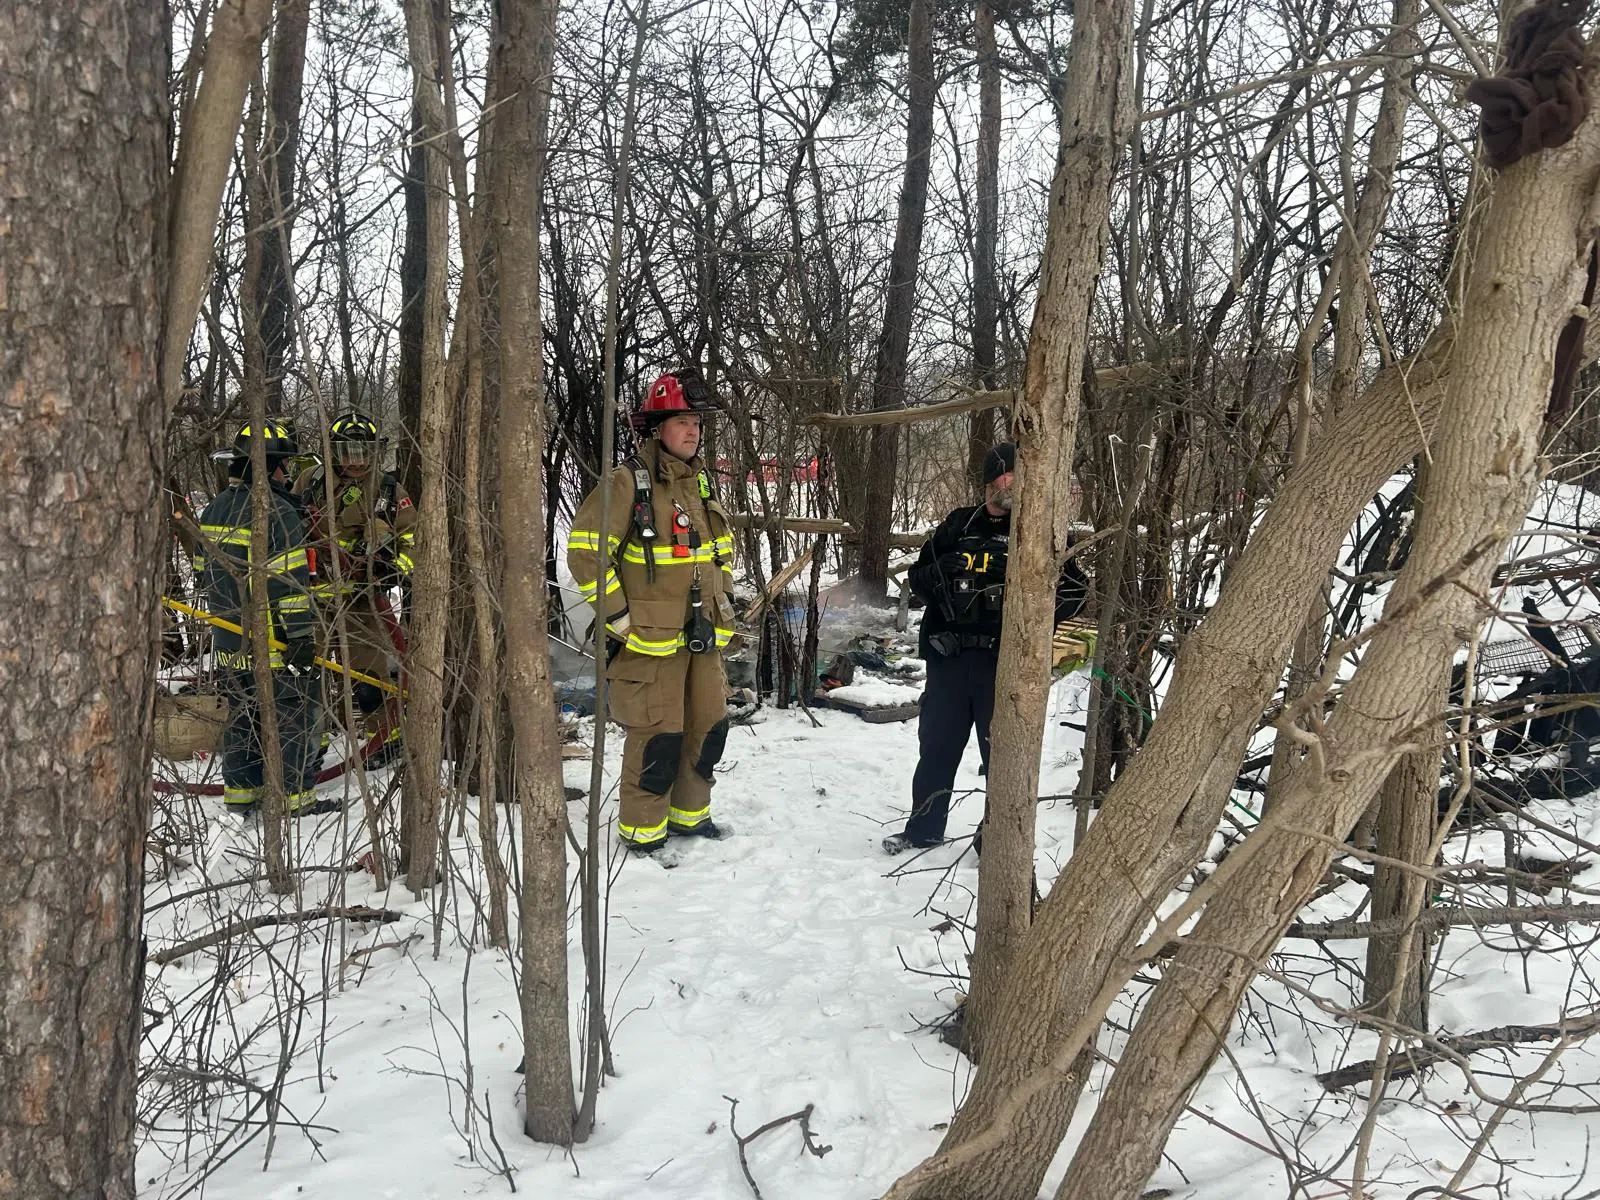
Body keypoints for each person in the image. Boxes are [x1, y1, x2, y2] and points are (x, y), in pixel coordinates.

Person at [883, 442, 1088, 855]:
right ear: (990, 482)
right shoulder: (958, 525)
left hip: (1004, 665)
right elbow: (918, 581)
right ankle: (923, 829)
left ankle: (994, 841)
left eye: (1021, 475)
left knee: (1003, 758)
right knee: (936, 748)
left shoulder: (1038, 530)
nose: (1016, 484)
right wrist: (942, 571)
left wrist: (1024, 590)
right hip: (950, 661)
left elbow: (1076, 592)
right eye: (1008, 475)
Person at [566, 368, 737, 855]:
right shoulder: (626, 484)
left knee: (707, 728)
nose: (692, 431)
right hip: (649, 641)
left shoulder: (699, 485)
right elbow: (585, 552)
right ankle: (643, 835)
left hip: (701, 638)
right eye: (681, 421)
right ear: (655, 427)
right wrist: (622, 620)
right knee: (658, 738)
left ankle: (690, 818)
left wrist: (723, 603)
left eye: (697, 423)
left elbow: (719, 552)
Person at [194, 421, 327, 816]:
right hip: (275, 643)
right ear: (266, 467)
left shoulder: (213, 508)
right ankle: (295, 801)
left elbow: (203, 574)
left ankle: (242, 795)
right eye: (282, 466)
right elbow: (288, 583)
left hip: (229, 642)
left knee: (242, 717)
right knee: (296, 716)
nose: (286, 474)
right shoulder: (277, 511)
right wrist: (301, 638)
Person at [293, 410, 416, 756]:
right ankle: (307, 746)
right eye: (348, 453)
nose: (356, 462)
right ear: (333, 451)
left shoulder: (388, 490)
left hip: (363, 602)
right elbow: (285, 528)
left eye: (364, 454)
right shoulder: (309, 482)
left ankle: (382, 743)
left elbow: (413, 538)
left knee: (370, 675)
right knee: (307, 671)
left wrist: (391, 568)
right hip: (312, 599)